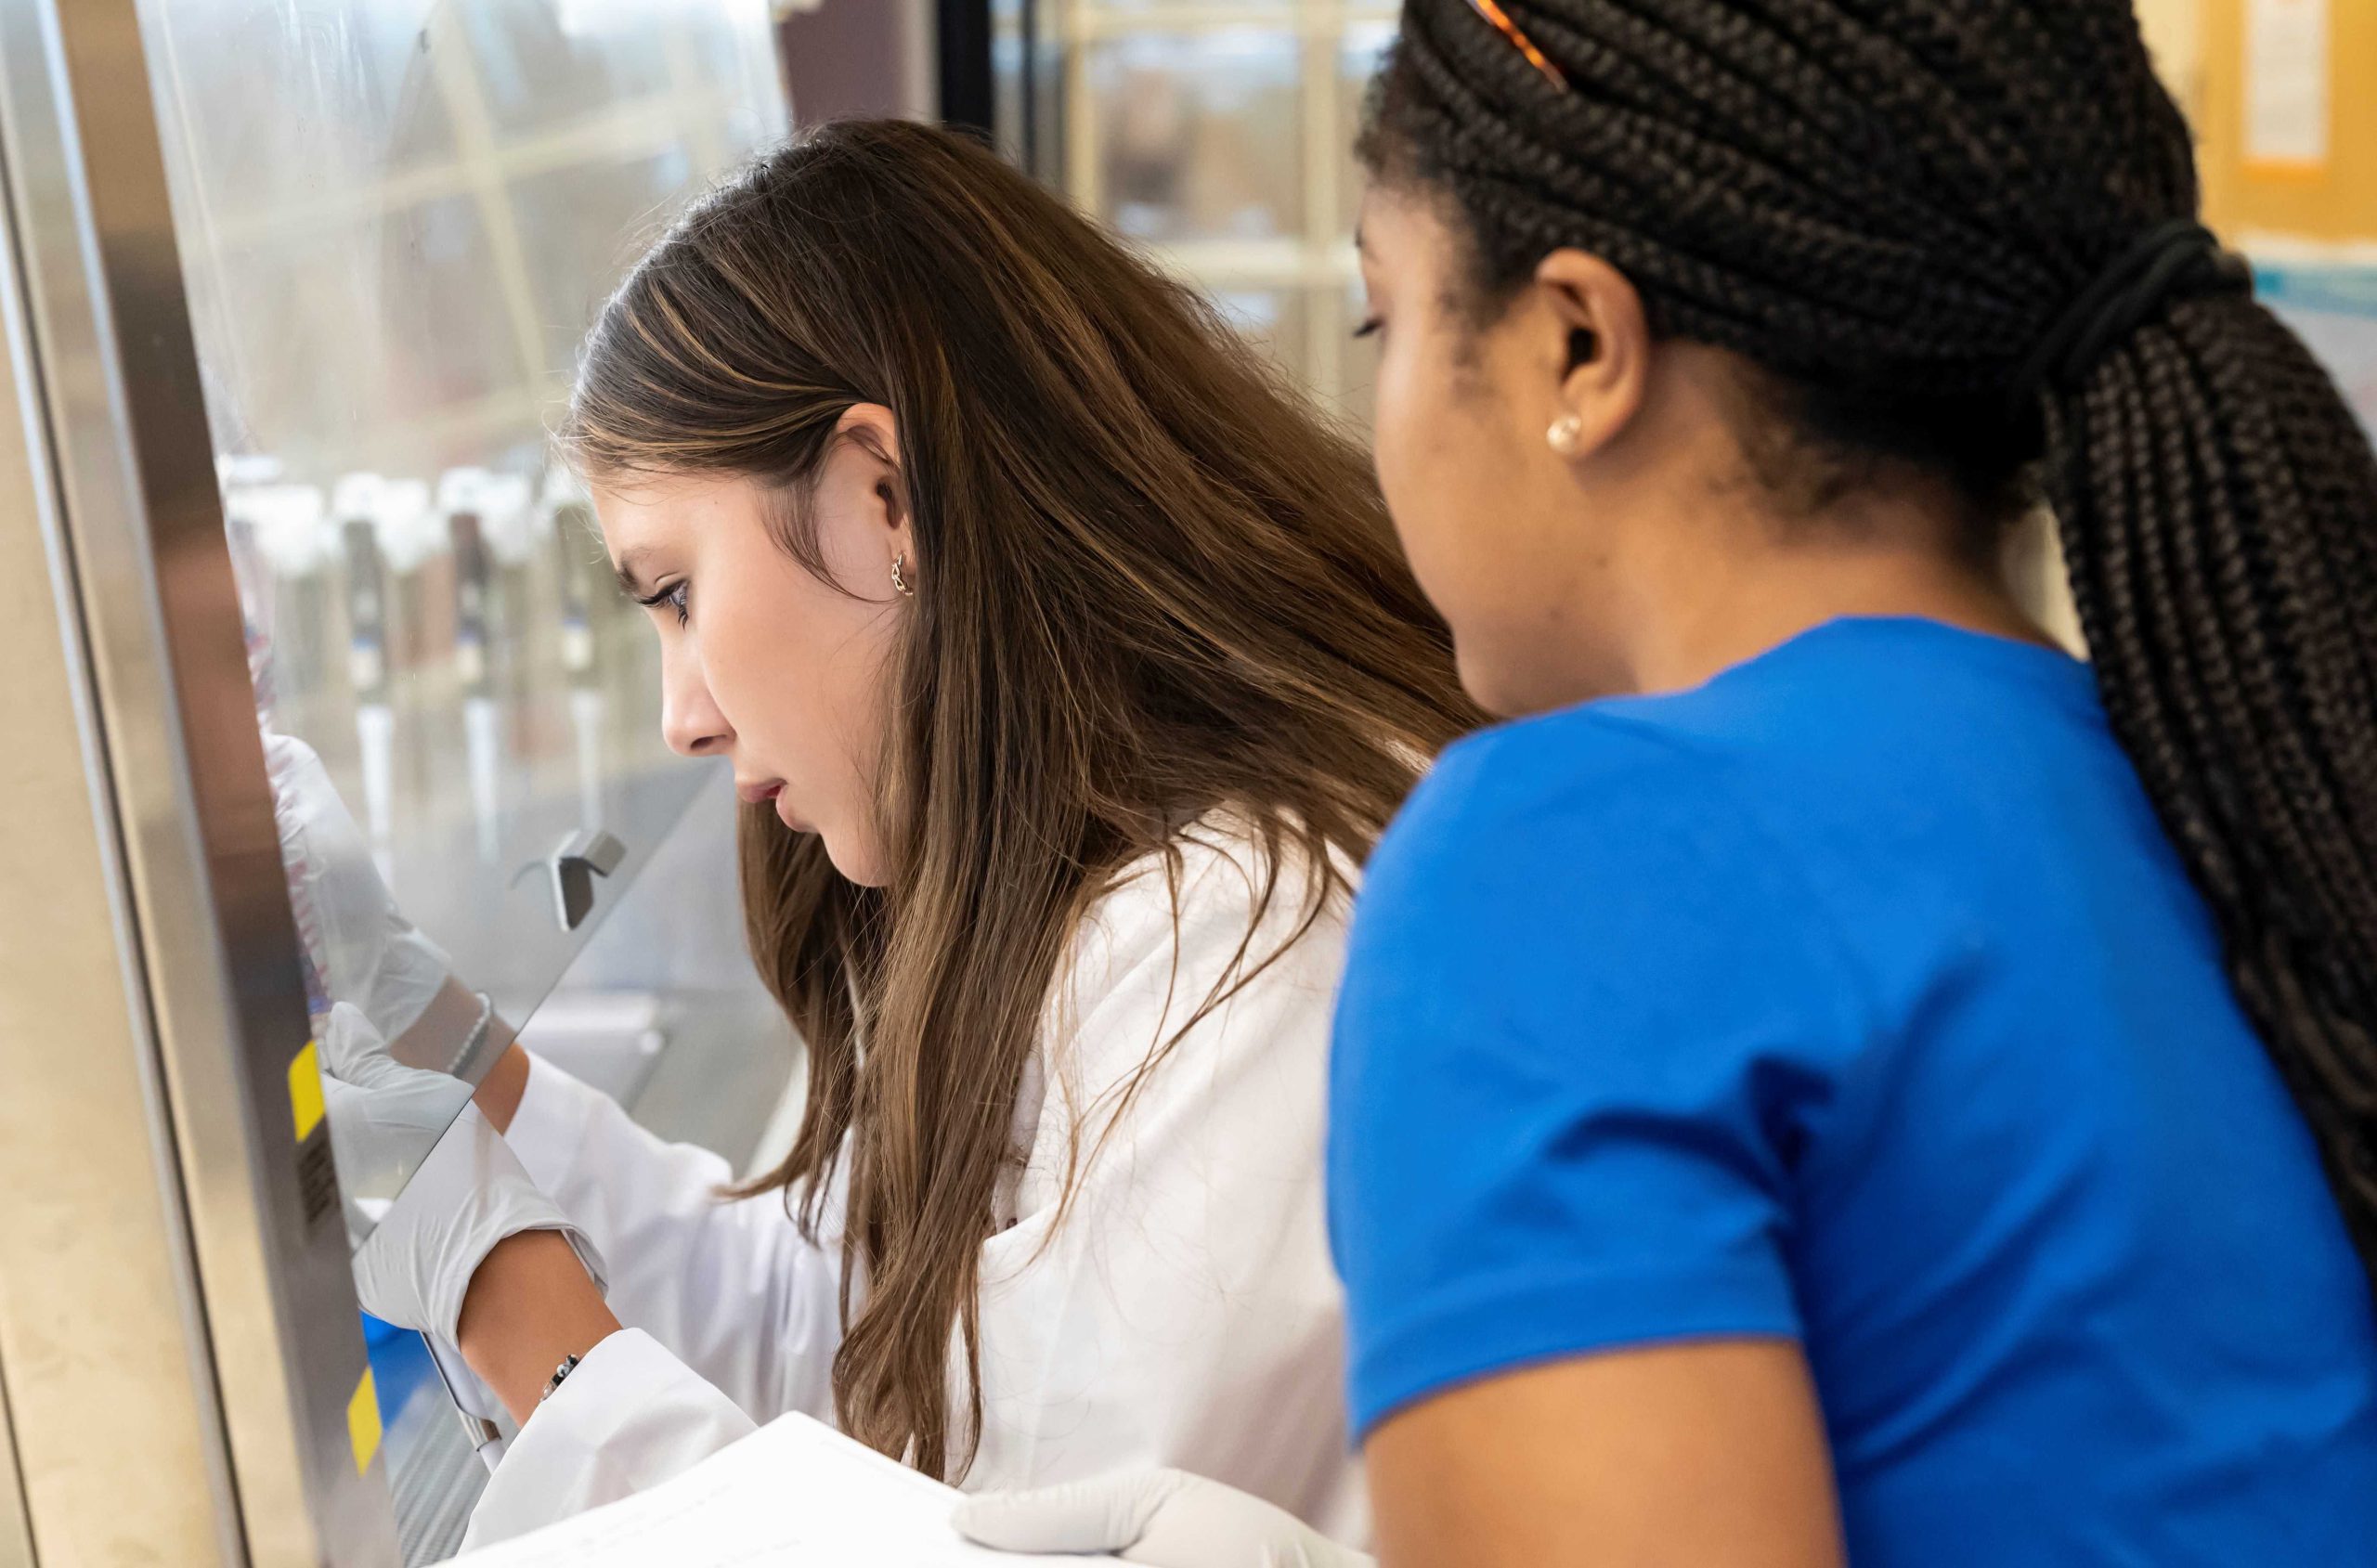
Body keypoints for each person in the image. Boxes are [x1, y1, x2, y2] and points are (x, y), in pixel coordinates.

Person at [957, 1, 2377, 1563]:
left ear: (1580, 344)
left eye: (1384, 320)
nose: (1380, 411)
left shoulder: (1564, 863)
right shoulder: (2230, 788)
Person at [311, 118, 1477, 1550]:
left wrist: (517, 1312)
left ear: (884, 501)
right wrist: (439, 1036)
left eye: (676, 592)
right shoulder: (1074, 881)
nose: (681, 718)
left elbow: (998, 1539)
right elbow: (840, 1324)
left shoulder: (1253, 936)